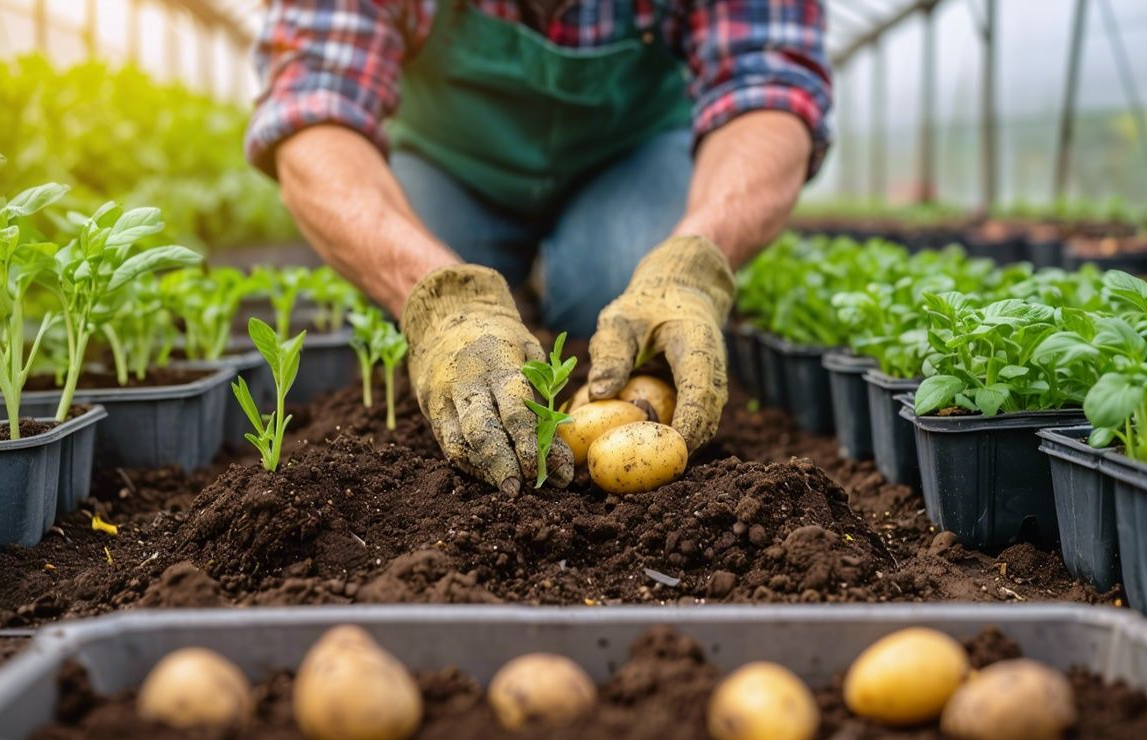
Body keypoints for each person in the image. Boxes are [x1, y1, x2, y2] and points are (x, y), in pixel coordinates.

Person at [246, 0, 831, 497]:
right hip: (450, 161)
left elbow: (769, 86)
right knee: (407, 295)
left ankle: (559, 290)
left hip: (627, 153)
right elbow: (313, 110)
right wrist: (442, 298)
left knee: (613, 285)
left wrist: (693, 263)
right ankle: (496, 296)